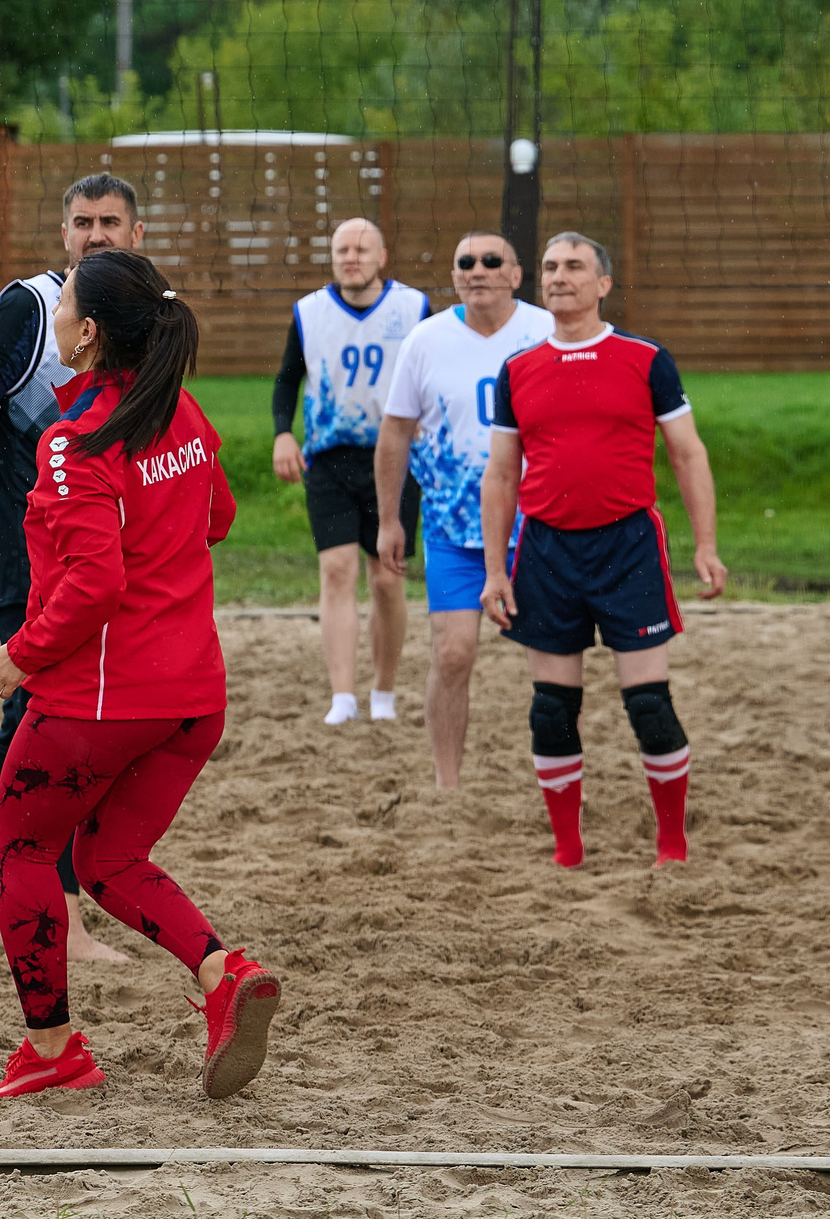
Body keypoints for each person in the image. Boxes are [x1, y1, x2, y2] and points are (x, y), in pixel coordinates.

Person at [0, 250, 279, 1101]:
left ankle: (53, 1050)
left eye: (63, 302)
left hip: (102, 700)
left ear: (91, 332)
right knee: (108, 855)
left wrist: (21, 651)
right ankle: (223, 974)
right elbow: (220, 517)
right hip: (193, 698)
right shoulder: (179, 411)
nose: (55, 314)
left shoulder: (78, 441)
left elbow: (97, 583)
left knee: (20, 847)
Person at [0, 172, 141, 964]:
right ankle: (56, 913)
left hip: (101, 558)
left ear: (137, 233)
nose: (95, 234)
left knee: (48, 727)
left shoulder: (142, 320)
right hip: (30, 558)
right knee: (49, 728)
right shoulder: (30, 307)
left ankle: (0, 905)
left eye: (109, 221)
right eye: (82, 221)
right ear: (64, 235)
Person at [481, 231, 726, 868]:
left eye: (574, 267)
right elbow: (501, 474)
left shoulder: (646, 360)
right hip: (545, 551)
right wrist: (492, 572)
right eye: (551, 267)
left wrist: (706, 545)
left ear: (603, 284)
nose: (559, 277)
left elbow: (688, 453)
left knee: (648, 703)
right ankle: (568, 850)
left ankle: (671, 842)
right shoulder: (518, 369)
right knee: (551, 709)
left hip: (629, 548)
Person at [373, 233, 554, 792]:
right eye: (465, 262)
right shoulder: (427, 339)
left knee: (550, 663)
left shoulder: (545, 332)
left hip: (536, 522)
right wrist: (389, 519)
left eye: (491, 261)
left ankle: (557, 779)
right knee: (453, 654)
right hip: (455, 527)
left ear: (516, 273)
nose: (477, 270)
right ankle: (448, 786)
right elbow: (396, 432)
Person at [271, 217, 429, 726]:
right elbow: (287, 379)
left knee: (386, 578)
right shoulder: (310, 312)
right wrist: (282, 432)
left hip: (397, 459)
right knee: (336, 571)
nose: (351, 257)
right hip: (331, 458)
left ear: (382, 257)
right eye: (342, 249)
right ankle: (343, 696)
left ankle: (383, 690)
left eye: (362, 248)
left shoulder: (415, 308)